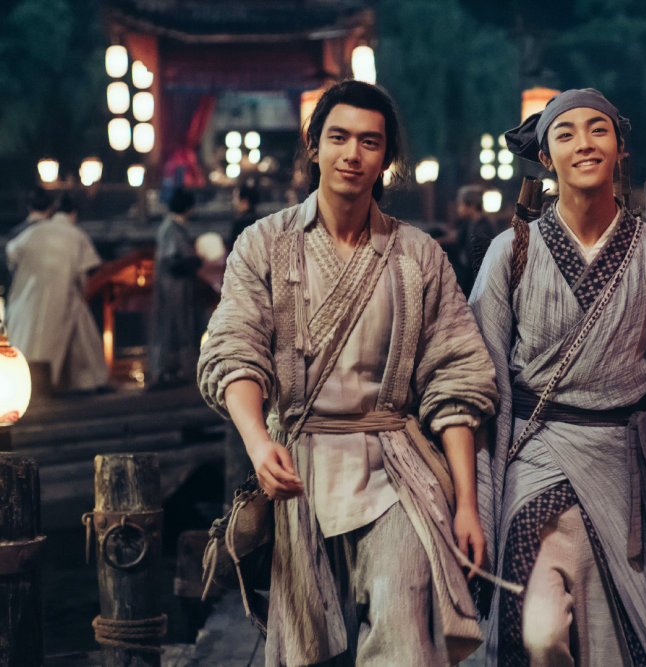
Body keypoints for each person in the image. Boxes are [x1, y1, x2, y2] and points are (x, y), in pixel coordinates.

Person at [197, 80, 498, 666]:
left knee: (405, 637)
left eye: (369, 142)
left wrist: (467, 502)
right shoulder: (263, 243)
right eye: (338, 138)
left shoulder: (418, 253)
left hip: (396, 466)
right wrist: (259, 444)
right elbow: (235, 350)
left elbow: (457, 376)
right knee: (311, 649)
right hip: (299, 465)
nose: (352, 154)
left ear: (387, 158)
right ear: (314, 147)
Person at [469, 88, 646, 666]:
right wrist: (478, 500)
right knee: (538, 634)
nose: (584, 144)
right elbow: (481, 387)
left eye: (598, 130)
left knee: (618, 643)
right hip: (534, 459)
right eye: (565, 134)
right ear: (546, 157)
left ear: (619, 147)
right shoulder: (510, 252)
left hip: (620, 467)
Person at [5, 194, 109, 392]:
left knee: (28, 338)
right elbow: (89, 268)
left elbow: (12, 254)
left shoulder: (34, 232)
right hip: (64, 294)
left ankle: (26, 381)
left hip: (28, 295)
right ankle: (90, 380)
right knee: (81, 338)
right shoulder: (76, 234)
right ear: (73, 214)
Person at [149, 188, 201, 387]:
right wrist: (193, 262)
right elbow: (171, 260)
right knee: (172, 328)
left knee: (176, 327)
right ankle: (165, 370)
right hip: (172, 287)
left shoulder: (173, 227)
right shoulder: (171, 228)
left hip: (177, 286)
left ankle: (175, 370)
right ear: (188, 208)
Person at [1, 186, 54, 297]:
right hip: (50, 291)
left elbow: (10, 266)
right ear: (50, 207)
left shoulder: (17, 233)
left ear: (29, 206)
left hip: (22, 292)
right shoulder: (56, 233)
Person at [229, 180, 260, 249]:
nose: (233, 202)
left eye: (235, 198)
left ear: (245, 202)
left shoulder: (240, 225)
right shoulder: (259, 222)